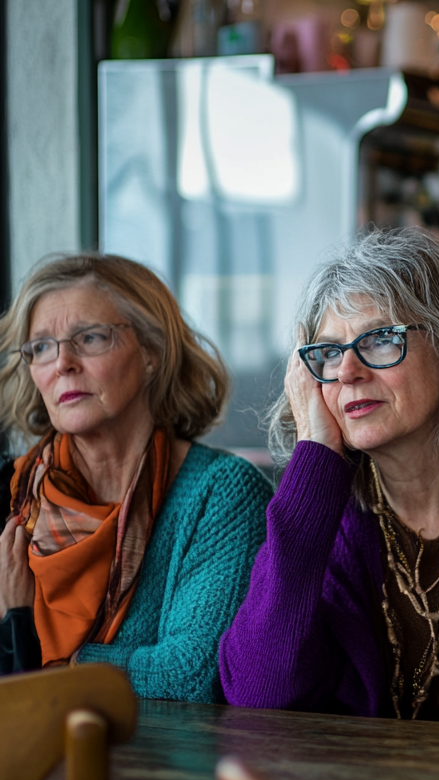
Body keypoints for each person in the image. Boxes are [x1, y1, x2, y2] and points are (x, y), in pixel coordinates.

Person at [219, 228, 439, 721]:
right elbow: (261, 692)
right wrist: (316, 449)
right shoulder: (323, 501)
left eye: (381, 340)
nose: (347, 372)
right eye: (327, 353)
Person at [0, 254, 271, 702]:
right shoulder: (11, 494)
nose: (62, 362)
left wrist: (20, 626)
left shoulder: (221, 494)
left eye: (89, 338)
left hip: (158, 768)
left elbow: (188, 675)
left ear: (151, 354)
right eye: (42, 347)